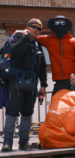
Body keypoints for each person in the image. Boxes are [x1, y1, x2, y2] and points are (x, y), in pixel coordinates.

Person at [37, 16, 75, 146]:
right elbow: (33, 36)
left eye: (62, 23)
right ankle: (56, 135)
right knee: (55, 109)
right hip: (59, 82)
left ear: (67, 26)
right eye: (57, 23)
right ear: (52, 25)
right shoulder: (48, 40)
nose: (60, 25)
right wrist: (22, 33)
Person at [2, 19, 47, 151]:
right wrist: (25, 37)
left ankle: (24, 142)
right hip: (16, 81)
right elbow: (15, 51)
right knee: (12, 111)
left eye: (39, 28)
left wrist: (43, 85)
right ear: (27, 27)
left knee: (27, 112)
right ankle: (7, 143)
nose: (36, 30)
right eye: (33, 27)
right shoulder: (17, 39)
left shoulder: (38, 46)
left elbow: (42, 67)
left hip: (32, 82)